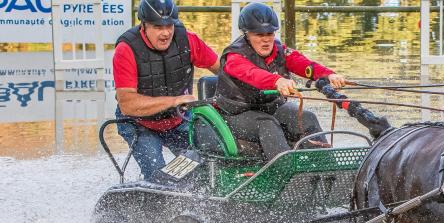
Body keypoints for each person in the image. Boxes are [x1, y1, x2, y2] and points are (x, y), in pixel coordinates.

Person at [215, 3, 347, 159]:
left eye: (270, 34)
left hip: (271, 107)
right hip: (236, 114)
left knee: (307, 117)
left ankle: (327, 169)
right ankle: (287, 173)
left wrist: (328, 75)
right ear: (247, 34)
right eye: (259, 35)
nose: (266, 40)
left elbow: (303, 64)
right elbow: (252, 74)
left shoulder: (280, 50)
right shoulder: (234, 57)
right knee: (267, 124)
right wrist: (277, 81)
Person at [112, 0, 220, 180]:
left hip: (179, 120)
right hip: (138, 123)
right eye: (157, 26)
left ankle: (184, 183)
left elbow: (224, 70)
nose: (166, 33)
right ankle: (159, 185)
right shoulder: (126, 49)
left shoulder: (188, 40)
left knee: (210, 164)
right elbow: (127, 105)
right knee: (158, 177)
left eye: (169, 25)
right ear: (143, 25)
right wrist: (174, 101)